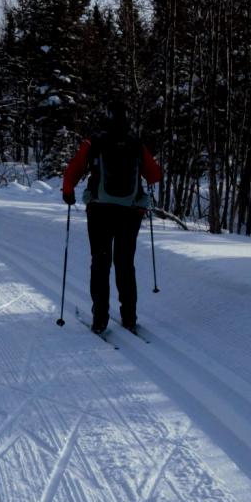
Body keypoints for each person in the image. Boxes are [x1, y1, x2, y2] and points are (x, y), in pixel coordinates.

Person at [61, 102, 163, 334]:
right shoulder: (136, 144)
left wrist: (68, 192)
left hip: (100, 211)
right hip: (130, 212)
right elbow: (155, 175)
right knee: (125, 263)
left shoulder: (94, 142)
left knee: (100, 262)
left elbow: (73, 169)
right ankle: (129, 317)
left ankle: (100, 318)